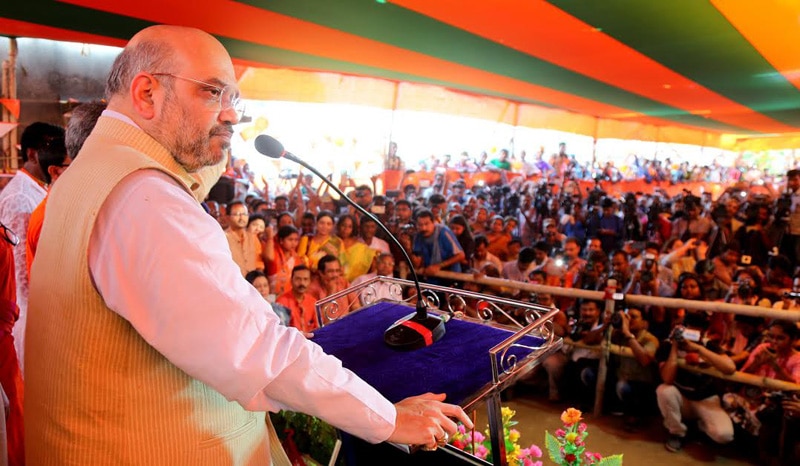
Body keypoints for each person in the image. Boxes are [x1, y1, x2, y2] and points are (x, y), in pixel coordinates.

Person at [25, 25, 470, 463]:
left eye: (234, 99)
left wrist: (213, 135)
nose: (233, 114)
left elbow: (187, 174)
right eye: (212, 92)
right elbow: (259, 350)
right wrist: (388, 419)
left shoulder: (97, 170)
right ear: (147, 94)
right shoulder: (147, 200)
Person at [0, 122, 65, 372]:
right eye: (50, 146)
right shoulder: (20, 197)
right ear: (31, 153)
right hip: (25, 314)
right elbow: (20, 273)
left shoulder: (37, 190)